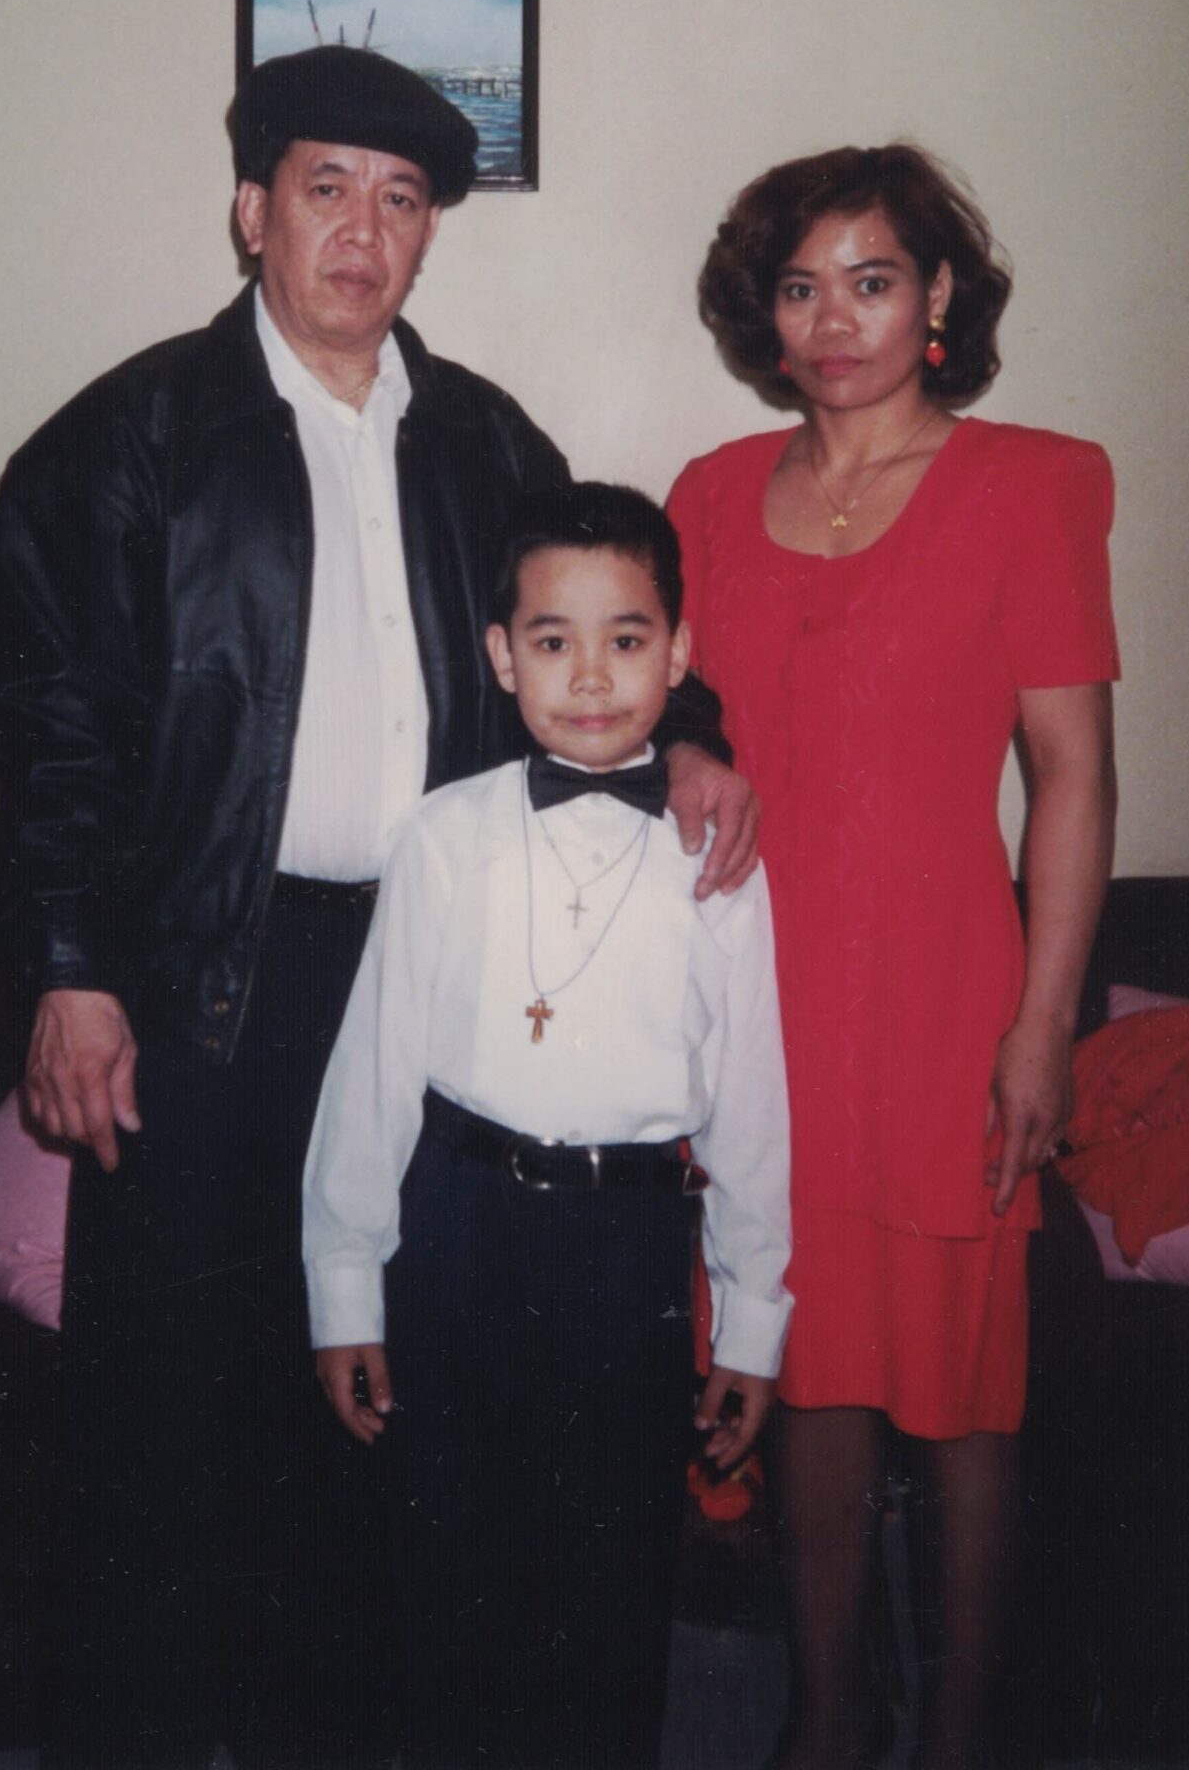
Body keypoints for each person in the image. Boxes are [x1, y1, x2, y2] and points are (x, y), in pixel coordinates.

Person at [0, 48, 757, 1770]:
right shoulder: (124, 442)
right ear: (251, 211)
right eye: (325, 188)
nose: (362, 230)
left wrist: (691, 733)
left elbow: (598, 617)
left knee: (369, 1404)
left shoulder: (484, 440)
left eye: (400, 201)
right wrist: (72, 972)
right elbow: (47, 734)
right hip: (199, 983)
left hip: (428, 981)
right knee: (163, 1424)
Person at [668, 143, 1119, 1770]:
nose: (834, 320)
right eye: (800, 287)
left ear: (936, 296)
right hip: (755, 1008)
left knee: (962, 1393)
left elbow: (1069, 775)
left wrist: (1042, 1027)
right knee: (807, 1366)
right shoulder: (707, 495)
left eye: (871, 280)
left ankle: (960, 1735)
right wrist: (682, 749)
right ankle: (826, 1714)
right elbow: (664, 709)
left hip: (940, 1006)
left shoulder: (1033, 483)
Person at [302, 482, 792, 1770]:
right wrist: (345, 1286)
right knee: (446, 1563)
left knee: (612, 1574)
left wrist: (753, 1319)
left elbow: (751, 1100)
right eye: (553, 640)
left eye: (627, 639)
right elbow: (373, 1072)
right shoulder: (441, 838)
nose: (589, 676)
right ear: (501, 655)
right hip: (459, 1231)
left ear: (678, 657)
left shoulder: (715, 855)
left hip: (631, 1245)